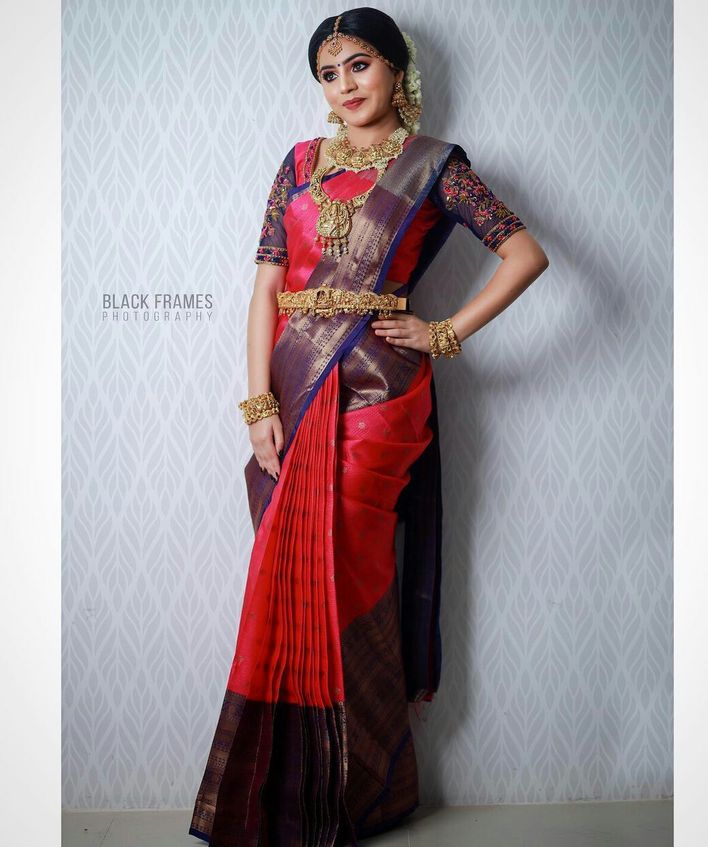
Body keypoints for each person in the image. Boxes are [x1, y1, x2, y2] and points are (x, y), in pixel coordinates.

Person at [189, 7, 549, 846]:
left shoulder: (435, 167)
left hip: (380, 390)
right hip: (294, 381)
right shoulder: (300, 164)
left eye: (359, 65)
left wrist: (443, 332)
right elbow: (265, 290)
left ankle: (360, 789)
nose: (345, 86)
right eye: (328, 72)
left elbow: (525, 253)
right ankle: (276, 790)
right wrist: (257, 405)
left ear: (397, 70)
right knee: (286, 570)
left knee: (347, 574)